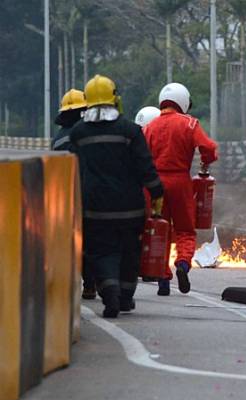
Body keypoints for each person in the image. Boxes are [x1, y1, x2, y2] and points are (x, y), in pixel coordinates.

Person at [69, 75, 164, 318]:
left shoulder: (79, 133)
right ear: (114, 99)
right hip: (129, 208)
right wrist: (156, 192)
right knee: (129, 250)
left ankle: (109, 291)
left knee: (101, 251)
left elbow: (71, 169)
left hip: (94, 209)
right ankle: (124, 297)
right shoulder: (130, 130)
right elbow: (145, 165)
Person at [143, 82, 218, 296]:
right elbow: (209, 148)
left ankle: (163, 280)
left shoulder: (149, 127)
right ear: (183, 101)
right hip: (180, 182)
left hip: (155, 184)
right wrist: (206, 161)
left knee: (160, 231)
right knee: (184, 230)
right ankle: (183, 264)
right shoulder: (190, 124)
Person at [52, 89, 97, 299]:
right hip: (87, 194)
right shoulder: (87, 134)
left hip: (64, 197)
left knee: (68, 243)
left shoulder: (58, 139)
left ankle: (68, 284)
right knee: (89, 241)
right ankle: (90, 284)